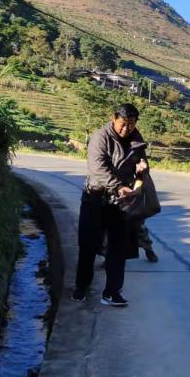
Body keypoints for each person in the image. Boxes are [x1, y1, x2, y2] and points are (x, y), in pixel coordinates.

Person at [73, 103, 149, 307]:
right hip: (95, 198)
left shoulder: (136, 140)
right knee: (88, 245)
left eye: (131, 124)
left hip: (121, 202)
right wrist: (118, 186)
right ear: (113, 118)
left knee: (118, 248)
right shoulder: (100, 137)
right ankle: (81, 286)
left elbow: (141, 164)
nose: (126, 129)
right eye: (123, 124)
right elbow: (98, 167)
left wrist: (142, 169)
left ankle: (112, 292)